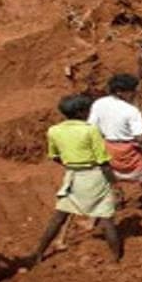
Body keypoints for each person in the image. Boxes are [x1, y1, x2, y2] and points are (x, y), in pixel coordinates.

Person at [31, 94, 121, 264]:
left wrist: (72, 165)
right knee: (106, 218)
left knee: (59, 217)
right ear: (81, 112)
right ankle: (116, 257)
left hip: (72, 177)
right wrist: (115, 184)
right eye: (88, 110)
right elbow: (103, 162)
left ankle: (39, 253)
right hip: (95, 176)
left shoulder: (54, 131)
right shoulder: (90, 130)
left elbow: (54, 156)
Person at [89, 74, 142, 210]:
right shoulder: (131, 111)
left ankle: (117, 207)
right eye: (132, 91)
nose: (135, 94)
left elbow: (92, 127)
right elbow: (141, 138)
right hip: (129, 151)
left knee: (112, 184)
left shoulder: (99, 103)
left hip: (108, 148)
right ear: (120, 92)